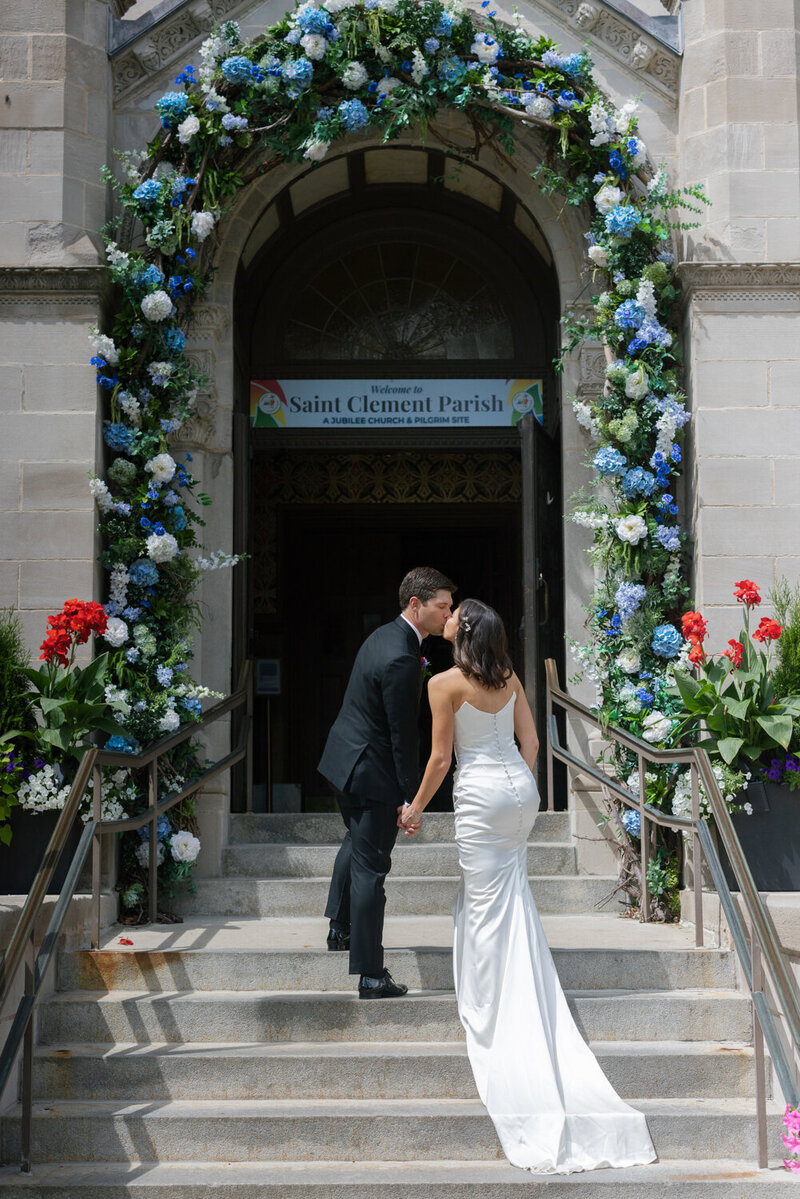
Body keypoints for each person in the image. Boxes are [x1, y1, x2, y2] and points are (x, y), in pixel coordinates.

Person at [399, 598, 656, 1173]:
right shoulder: (508, 675)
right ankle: (511, 979)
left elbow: (441, 760)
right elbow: (533, 743)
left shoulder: (443, 683)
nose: (445, 617)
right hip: (519, 791)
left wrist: (414, 807)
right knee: (505, 894)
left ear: (460, 630)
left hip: (482, 796)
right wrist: (525, 789)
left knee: (487, 903)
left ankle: (494, 1000)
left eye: (452, 614)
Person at [319, 566, 455, 998]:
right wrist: (409, 798)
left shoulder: (383, 636)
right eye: (442, 606)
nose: (447, 614)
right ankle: (371, 974)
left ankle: (339, 929)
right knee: (371, 870)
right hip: (370, 772)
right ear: (415, 605)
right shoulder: (400, 655)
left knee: (355, 844)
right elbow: (402, 735)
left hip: (343, 762)